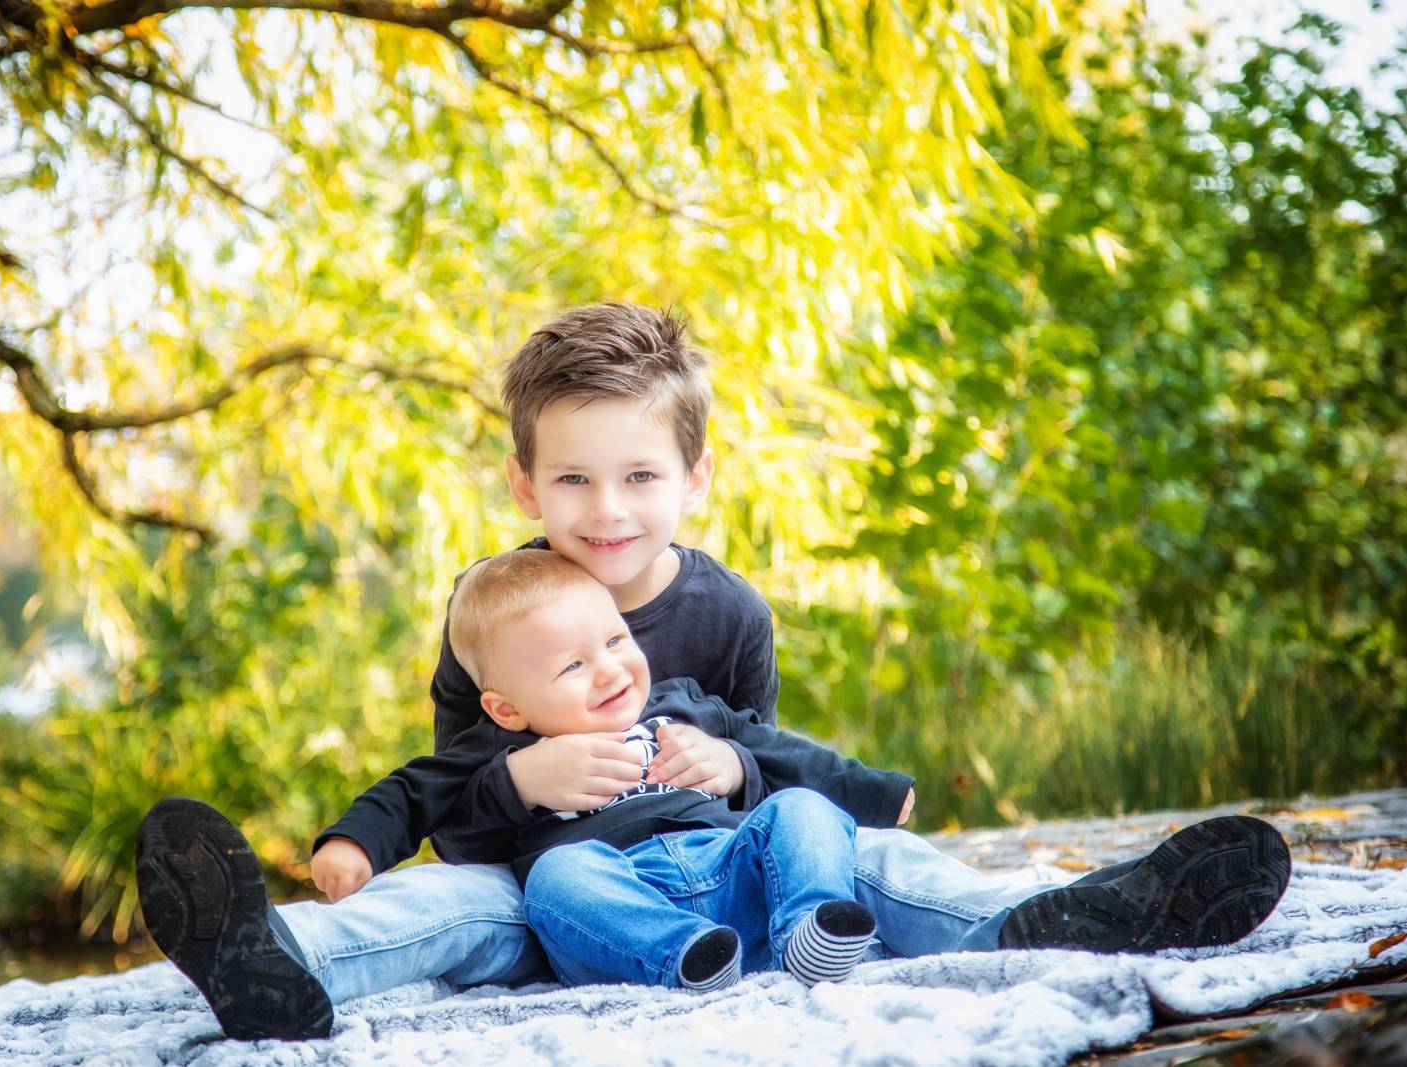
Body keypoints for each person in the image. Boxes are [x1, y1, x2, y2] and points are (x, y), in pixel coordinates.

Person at [135, 303, 1292, 1041]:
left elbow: (761, 777)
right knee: (439, 904)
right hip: (552, 886)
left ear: (691, 478)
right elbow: (451, 805)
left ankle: (1063, 916)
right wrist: (525, 783)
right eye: (573, 480)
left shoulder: (726, 608)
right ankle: (277, 964)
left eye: (638, 475)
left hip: (719, 870)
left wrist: (737, 763)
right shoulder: (497, 612)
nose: (606, 509)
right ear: (522, 486)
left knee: (869, 854)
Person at [326, 547, 915, 990]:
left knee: (804, 808)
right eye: (572, 666)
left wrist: (876, 794)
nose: (609, 671)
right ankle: (682, 956)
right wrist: (355, 843)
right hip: (618, 900)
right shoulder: (501, 747)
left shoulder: (683, 705)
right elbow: (411, 792)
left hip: (729, 866)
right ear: (507, 707)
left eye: (614, 640)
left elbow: (782, 753)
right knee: (558, 875)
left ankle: (810, 926)